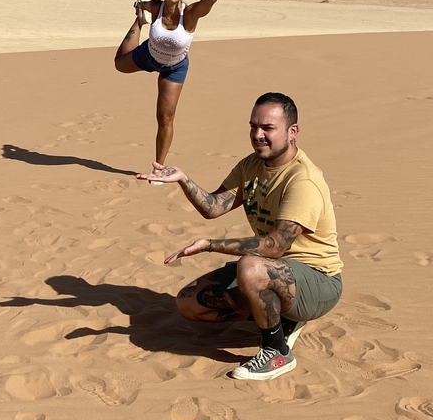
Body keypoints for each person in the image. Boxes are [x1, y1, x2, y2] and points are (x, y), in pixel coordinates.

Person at [136, 92, 343, 382]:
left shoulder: (303, 180)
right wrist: (183, 179)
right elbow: (213, 206)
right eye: (253, 126)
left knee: (251, 266)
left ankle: (276, 351)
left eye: (268, 128)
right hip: (273, 272)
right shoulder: (251, 166)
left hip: (318, 280)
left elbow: (273, 247)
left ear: (292, 131)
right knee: (191, 302)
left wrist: (210, 245)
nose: (258, 135)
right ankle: (282, 318)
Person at [114, 0, 229, 167]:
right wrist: (139, 6)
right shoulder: (156, 7)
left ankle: (159, 167)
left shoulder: (191, 14)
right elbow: (143, 3)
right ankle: (139, 23)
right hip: (149, 56)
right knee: (119, 64)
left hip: (174, 68)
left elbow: (210, 0)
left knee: (165, 117)